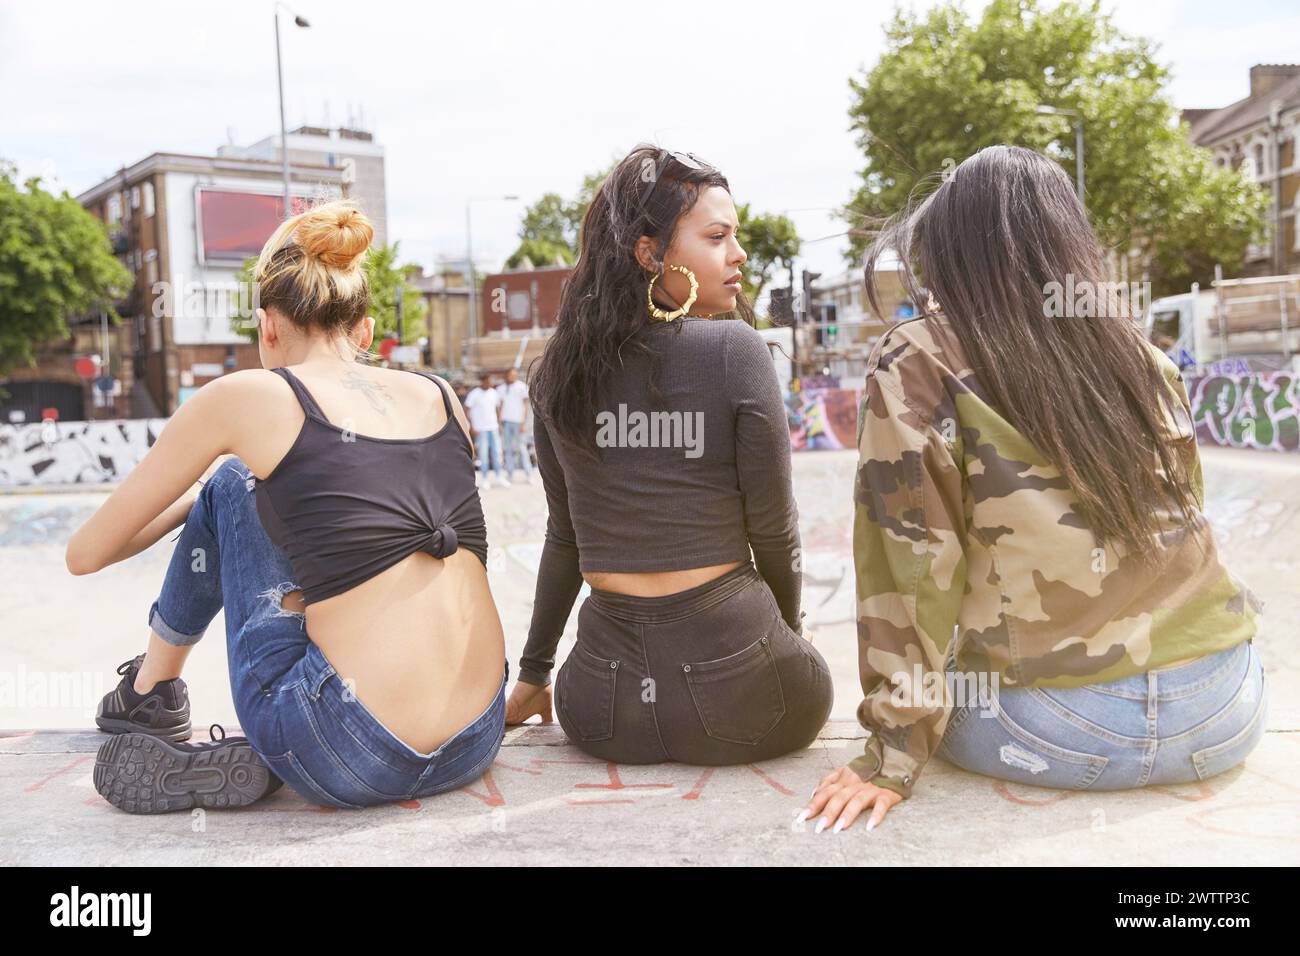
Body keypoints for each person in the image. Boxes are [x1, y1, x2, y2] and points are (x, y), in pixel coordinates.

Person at [803, 145, 1266, 834]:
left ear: (953, 251)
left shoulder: (921, 356)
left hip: (1060, 731)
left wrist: (893, 749)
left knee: (962, 658)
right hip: (1224, 709)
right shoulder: (1140, 355)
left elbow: (911, 559)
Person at [69, 200, 508, 813]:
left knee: (231, 483)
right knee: (284, 495)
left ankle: (151, 692)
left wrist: (204, 503)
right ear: (366, 331)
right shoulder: (440, 395)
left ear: (267, 325)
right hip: (476, 738)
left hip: (345, 750)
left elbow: (85, 554)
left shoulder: (250, 395)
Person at [505, 144, 834, 764]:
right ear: (650, 254)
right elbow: (774, 529)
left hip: (601, 711)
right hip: (750, 695)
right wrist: (789, 631)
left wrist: (533, 674)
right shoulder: (736, 350)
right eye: (717, 237)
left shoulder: (554, 374)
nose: (739, 255)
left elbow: (566, 538)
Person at [465, 373, 508, 488]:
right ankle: (484, 479)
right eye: (488, 381)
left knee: (497, 453)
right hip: (480, 429)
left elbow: (497, 409)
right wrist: (471, 426)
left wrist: (499, 424)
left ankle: (499, 476)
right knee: (483, 454)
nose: (491, 383)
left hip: (493, 428)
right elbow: (466, 409)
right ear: (482, 382)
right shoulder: (474, 394)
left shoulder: (494, 393)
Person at [496, 367, 536, 484]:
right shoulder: (501, 389)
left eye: (514, 375)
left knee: (522, 448)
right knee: (508, 449)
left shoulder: (522, 387)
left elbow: (525, 406)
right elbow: (499, 407)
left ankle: (529, 474)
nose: (512, 377)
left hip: (518, 422)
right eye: (510, 375)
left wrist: (523, 423)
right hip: (506, 422)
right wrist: (499, 422)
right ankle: (509, 474)